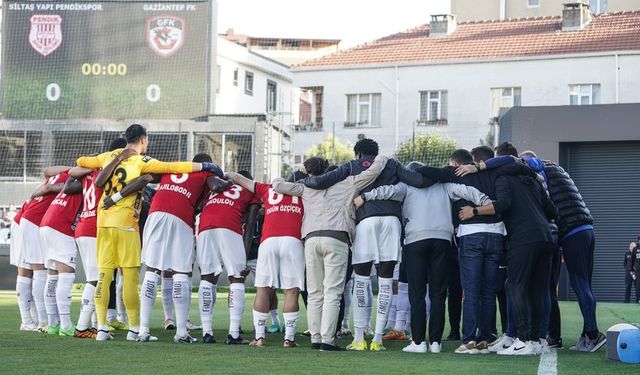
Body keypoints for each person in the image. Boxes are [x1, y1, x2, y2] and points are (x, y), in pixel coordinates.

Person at [76, 123, 223, 341]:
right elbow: (173, 168)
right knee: (131, 278)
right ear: (144, 139)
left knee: (104, 276)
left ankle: (102, 330)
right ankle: (136, 330)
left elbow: (81, 162)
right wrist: (204, 166)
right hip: (126, 224)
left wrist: (112, 158)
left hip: (103, 223)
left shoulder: (109, 155)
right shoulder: (144, 161)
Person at [459, 144, 606, 351]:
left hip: (566, 230)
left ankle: (590, 334)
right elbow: (551, 206)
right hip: (582, 228)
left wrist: (479, 167)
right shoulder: (555, 169)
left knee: (541, 285)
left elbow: (510, 162)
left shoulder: (533, 166)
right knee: (560, 286)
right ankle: (562, 336)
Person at [302, 138, 431, 352]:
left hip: (365, 221)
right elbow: (417, 181)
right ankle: (378, 339)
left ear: (357, 153)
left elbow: (321, 182)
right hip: (391, 220)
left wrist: (304, 180)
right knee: (385, 280)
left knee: (360, 279)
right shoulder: (392, 163)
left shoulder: (350, 166)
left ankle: (359, 338)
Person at [356, 160, 491, 354]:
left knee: (417, 293)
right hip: (443, 240)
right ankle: (435, 342)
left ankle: (418, 342)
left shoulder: (406, 186)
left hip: (415, 241)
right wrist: (486, 202)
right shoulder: (444, 185)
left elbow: (387, 191)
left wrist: (365, 196)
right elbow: (467, 191)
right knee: (438, 294)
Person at [272, 154, 389, 350]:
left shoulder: (306, 186)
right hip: (336, 237)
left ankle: (315, 338)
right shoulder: (349, 183)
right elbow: (373, 172)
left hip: (310, 239)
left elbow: (277, 184)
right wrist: (382, 158)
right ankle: (327, 339)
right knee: (333, 292)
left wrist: (301, 171)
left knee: (315, 292)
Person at [459, 148, 557, 356]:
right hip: (546, 238)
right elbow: (552, 211)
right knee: (538, 290)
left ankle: (523, 339)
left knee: (515, 286)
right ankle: (537, 339)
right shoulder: (534, 181)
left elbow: (504, 204)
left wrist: (475, 211)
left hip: (524, 238)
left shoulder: (503, 178)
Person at [225, 171, 304, 348]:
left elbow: (238, 178)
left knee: (262, 290)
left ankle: (260, 338)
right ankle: (289, 339)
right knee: (291, 291)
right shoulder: (304, 193)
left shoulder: (267, 189)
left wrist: (223, 173)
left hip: (268, 242)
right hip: (293, 240)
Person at [196, 170, 260, 345]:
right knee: (237, 278)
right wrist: (244, 259)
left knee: (207, 279)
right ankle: (233, 333)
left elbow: (199, 207)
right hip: (229, 227)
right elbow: (251, 224)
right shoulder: (250, 192)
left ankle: (207, 332)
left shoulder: (215, 189)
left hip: (205, 228)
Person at [20, 167, 70, 330]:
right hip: (34, 221)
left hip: (31, 220)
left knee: (40, 271)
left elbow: (47, 171)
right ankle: (43, 321)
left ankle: (43, 320)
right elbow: (48, 183)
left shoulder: (60, 174)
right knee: (40, 271)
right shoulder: (70, 178)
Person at [39, 172, 84, 336]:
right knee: (66, 276)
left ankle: (53, 325)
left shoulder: (72, 180)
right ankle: (65, 326)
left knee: (52, 276)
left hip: (46, 224)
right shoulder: (88, 181)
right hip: (61, 226)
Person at [10, 200, 38, 331]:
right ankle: (26, 321)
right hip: (25, 223)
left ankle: (35, 319)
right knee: (26, 272)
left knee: (36, 273)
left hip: (34, 224)